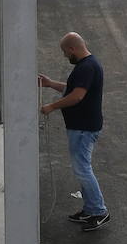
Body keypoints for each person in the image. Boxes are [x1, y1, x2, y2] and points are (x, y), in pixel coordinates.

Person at [39, 32, 109, 231]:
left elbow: (77, 96)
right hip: (83, 127)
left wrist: (52, 107)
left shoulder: (86, 67)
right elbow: (73, 89)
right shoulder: (89, 65)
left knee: (83, 170)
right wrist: (51, 83)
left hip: (83, 128)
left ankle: (99, 211)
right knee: (82, 169)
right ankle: (90, 209)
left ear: (72, 49)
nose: (64, 56)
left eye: (64, 52)